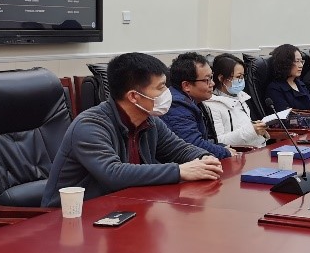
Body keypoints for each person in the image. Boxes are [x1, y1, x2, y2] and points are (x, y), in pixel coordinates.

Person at [42, 52, 223, 206]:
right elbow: (113, 173)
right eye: (161, 87)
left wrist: (204, 158)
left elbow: (180, 149)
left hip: (124, 207)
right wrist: (179, 171)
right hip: (72, 216)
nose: (167, 94)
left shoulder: (150, 121)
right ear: (134, 97)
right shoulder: (89, 125)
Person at [161, 52, 233, 159]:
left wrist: (222, 147)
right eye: (207, 80)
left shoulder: (194, 101)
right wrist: (225, 152)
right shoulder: (176, 106)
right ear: (186, 85)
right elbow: (193, 145)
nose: (212, 84)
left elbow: (204, 140)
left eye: (211, 77)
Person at [204, 53, 268, 148]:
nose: (242, 80)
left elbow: (242, 127)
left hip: (256, 148)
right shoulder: (211, 105)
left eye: (243, 76)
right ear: (221, 78)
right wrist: (252, 130)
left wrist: (258, 129)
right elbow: (219, 141)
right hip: (238, 154)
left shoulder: (242, 98)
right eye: (238, 77)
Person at [266, 44, 310, 112]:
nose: (301, 65)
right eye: (297, 61)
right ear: (285, 63)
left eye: (301, 61)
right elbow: (284, 114)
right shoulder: (275, 89)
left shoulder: (300, 84)